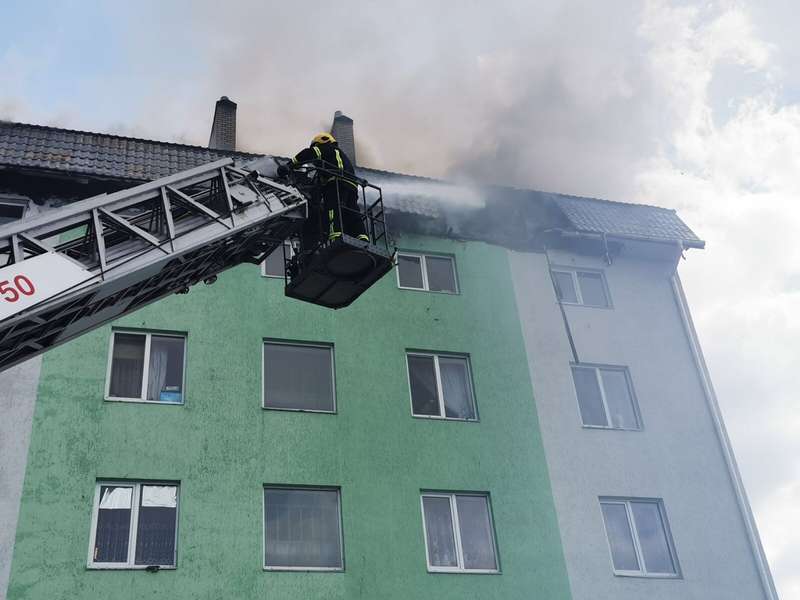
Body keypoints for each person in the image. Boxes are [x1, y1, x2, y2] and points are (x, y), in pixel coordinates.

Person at [288, 132, 369, 245]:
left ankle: (335, 236)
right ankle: (362, 237)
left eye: (316, 146)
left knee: (333, 209)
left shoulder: (326, 148)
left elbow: (308, 153)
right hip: (352, 186)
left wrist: (289, 165)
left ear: (321, 142)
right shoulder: (341, 156)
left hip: (335, 184)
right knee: (352, 213)